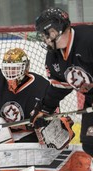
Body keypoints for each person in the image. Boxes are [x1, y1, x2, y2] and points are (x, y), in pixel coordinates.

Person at [31, 7, 93, 159]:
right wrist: (44, 109)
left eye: (46, 33)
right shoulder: (53, 57)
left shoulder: (89, 39)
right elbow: (59, 87)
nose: (45, 38)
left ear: (57, 30)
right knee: (90, 143)